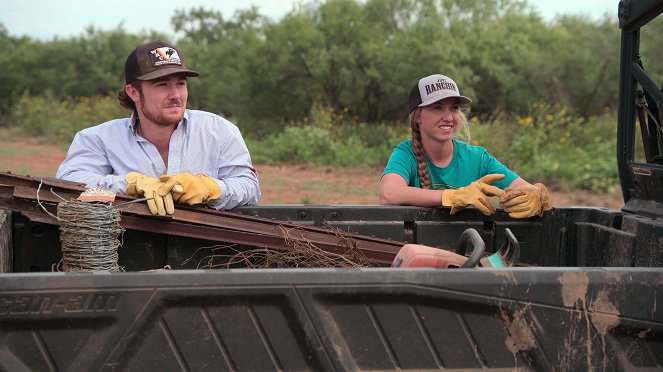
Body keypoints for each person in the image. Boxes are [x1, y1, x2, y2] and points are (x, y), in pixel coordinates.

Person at [57, 40, 260, 215]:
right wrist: (128, 185)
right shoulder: (98, 139)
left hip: (206, 252)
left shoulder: (219, 131)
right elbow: (67, 183)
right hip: (124, 251)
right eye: (162, 84)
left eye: (180, 84)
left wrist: (212, 188)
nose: (176, 95)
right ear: (133, 92)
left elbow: (249, 187)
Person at [380, 73, 551, 218]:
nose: (448, 117)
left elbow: (524, 188)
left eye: (454, 108)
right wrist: (452, 196)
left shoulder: (477, 158)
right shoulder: (406, 153)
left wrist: (537, 194)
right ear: (417, 116)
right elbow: (389, 194)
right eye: (438, 108)